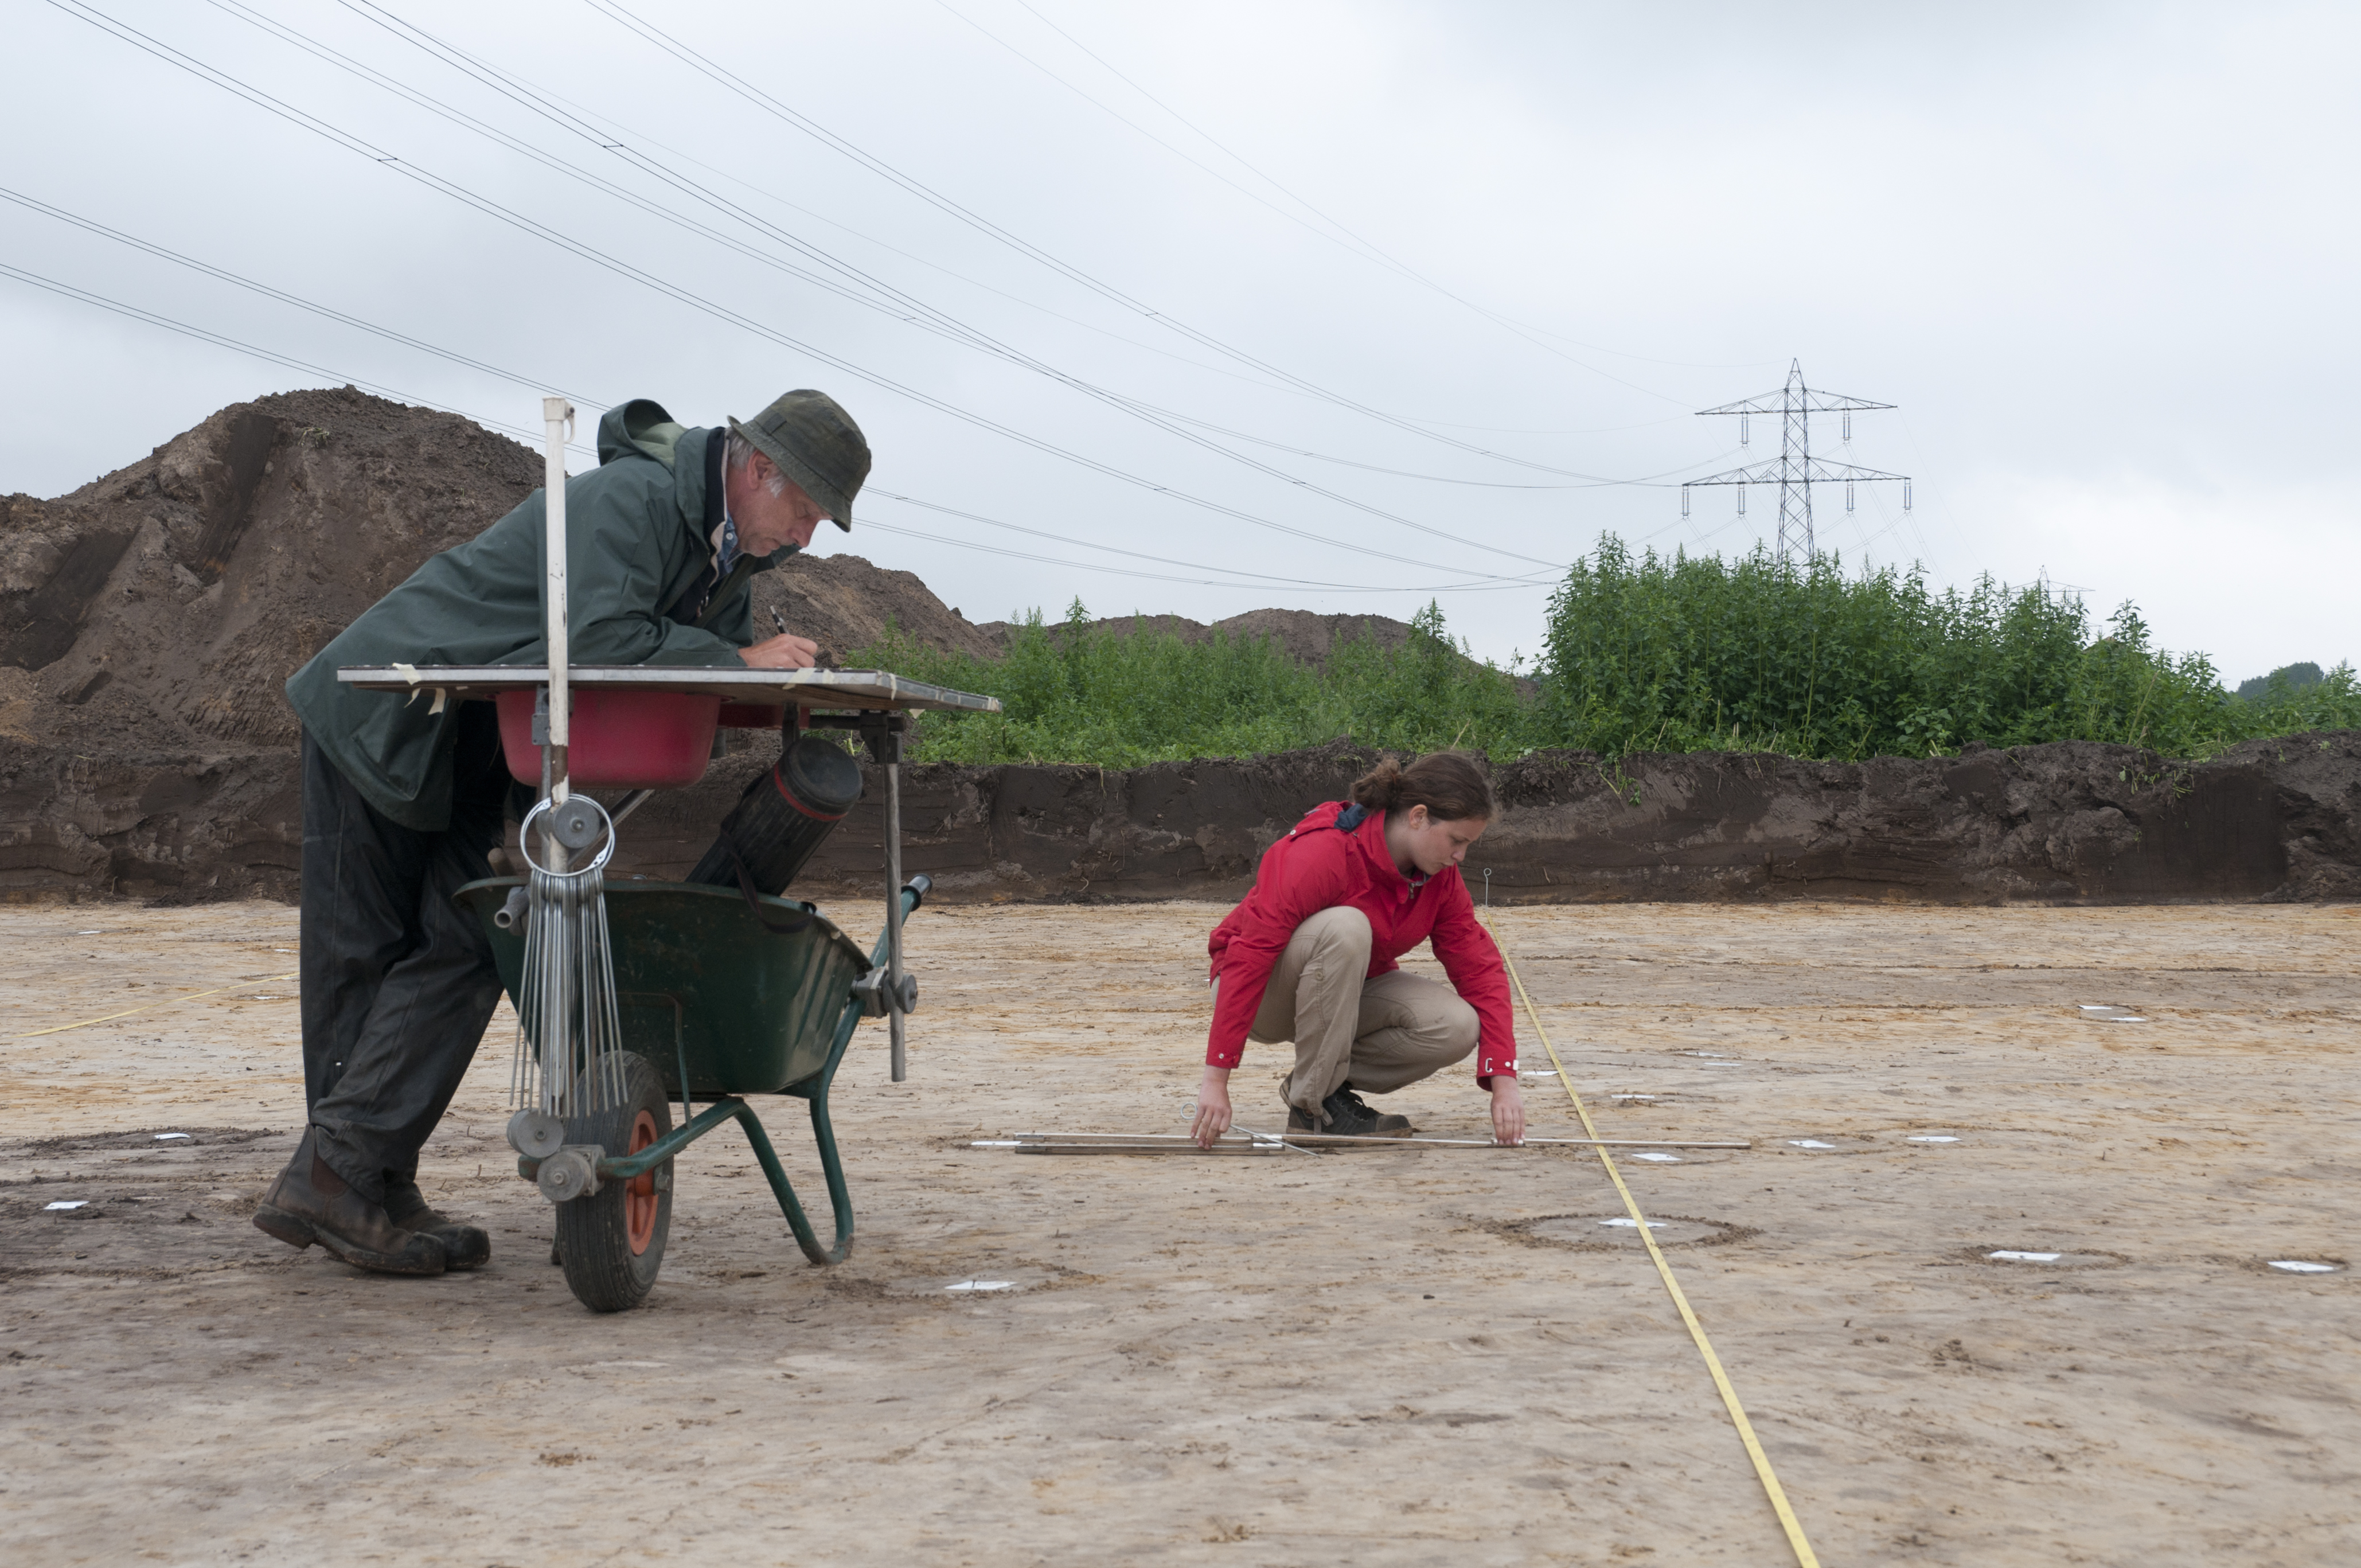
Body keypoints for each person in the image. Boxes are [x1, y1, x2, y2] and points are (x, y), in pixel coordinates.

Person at [253, 391, 870, 1276]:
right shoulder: (640, 501)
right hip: (381, 716)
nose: (807, 536)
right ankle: (341, 1178)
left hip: (468, 739)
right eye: (805, 510)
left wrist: (764, 679)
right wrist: (735, 663)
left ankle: (362, 1176)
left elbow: (703, 657)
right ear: (758, 469)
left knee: (470, 935)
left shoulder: (728, 554)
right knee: (366, 948)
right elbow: (606, 637)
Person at [1192, 751, 1525, 1149]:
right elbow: (1251, 955)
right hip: (1264, 997)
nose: (1460, 856)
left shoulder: (1440, 878)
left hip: (1339, 1000)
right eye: (1456, 841)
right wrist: (1216, 1079)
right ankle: (1312, 1111)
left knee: (1456, 1026)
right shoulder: (1324, 852)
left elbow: (1478, 969)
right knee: (1347, 926)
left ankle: (1321, 1088)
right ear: (1418, 816)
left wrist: (1503, 1080)